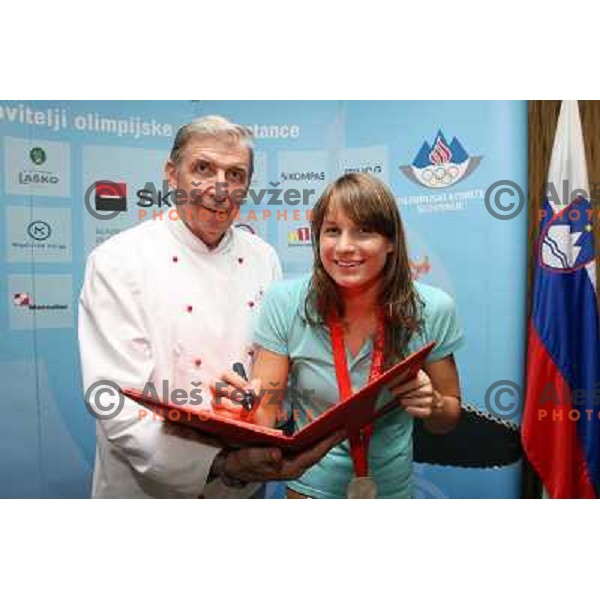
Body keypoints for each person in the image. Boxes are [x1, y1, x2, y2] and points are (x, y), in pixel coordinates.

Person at [78, 115, 342, 499]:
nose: (220, 188)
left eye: (235, 175)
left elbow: (275, 369)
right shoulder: (118, 261)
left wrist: (264, 410)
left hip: (244, 485)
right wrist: (218, 462)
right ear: (172, 174)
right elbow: (113, 399)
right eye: (203, 169)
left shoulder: (263, 258)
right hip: (151, 488)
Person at [215, 172, 464, 498]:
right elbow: (267, 412)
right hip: (308, 489)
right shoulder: (285, 301)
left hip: (393, 493)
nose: (345, 247)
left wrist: (433, 405)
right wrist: (244, 413)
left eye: (364, 231)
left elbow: (449, 417)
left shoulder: (433, 308)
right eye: (332, 231)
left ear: (391, 242)